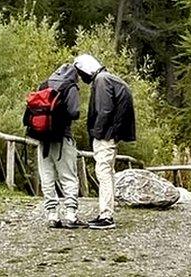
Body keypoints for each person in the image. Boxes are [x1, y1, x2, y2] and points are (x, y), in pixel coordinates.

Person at [73, 54, 136, 230]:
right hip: (112, 134)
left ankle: (106, 215)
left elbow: (104, 110)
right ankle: (106, 213)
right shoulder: (109, 78)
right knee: (108, 172)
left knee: (103, 172)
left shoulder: (101, 80)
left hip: (106, 136)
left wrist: (97, 134)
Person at [23, 63, 84, 229]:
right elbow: (74, 112)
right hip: (62, 137)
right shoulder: (71, 87)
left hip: (42, 138)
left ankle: (52, 215)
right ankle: (71, 214)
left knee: (47, 176)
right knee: (69, 176)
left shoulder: (44, 84)